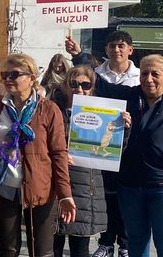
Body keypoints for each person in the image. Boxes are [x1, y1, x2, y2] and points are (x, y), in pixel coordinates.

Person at [69, 44, 163, 256]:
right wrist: (79, 56)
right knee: (136, 242)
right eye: (144, 73)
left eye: (155, 74)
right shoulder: (127, 98)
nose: (149, 79)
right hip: (131, 187)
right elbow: (100, 84)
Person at [0, 53, 76, 257]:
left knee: (41, 251)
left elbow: (59, 153)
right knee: (7, 250)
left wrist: (65, 194)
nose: (8, 79)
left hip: (40, 188)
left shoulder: (48, 109)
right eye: (5, 74)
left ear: (32, 78)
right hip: (5, 188)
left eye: (15, 74)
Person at [66, 31, 136, 257]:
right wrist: (77, 54)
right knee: (106, 195)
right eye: (112, 46)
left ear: (130, 50)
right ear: (106, 50)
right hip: (103, 146)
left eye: (121, 46)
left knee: (125, 197)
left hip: (131, 146)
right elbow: (82, 78)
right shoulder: (97, 76)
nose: (117, 50)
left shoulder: (139, 77)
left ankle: (125, 243)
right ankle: (106, 242)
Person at [51, 66, 111, 257]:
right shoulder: (51, 109)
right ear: (65, 85)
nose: (79, 89)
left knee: (80, 249)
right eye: (74, 84)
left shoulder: (102, 112)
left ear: (92, 88)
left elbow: (108, 151)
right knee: (53, 247)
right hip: (55, 186)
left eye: (86, 85)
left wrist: (120, 131)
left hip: (86, 189)